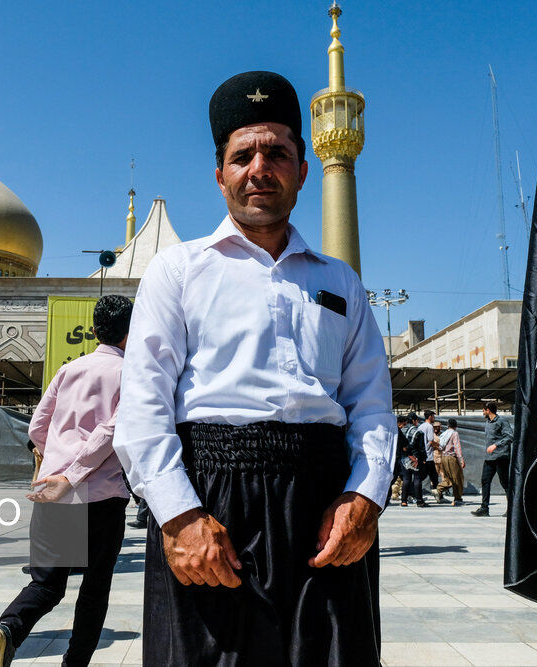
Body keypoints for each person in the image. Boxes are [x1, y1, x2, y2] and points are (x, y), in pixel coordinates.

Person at [112, 71, 395, 665]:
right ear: (220, 175)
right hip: (213, 497)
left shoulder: (339, 282)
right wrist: (181, 516)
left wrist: (364, 499)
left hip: (325, 507)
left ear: (302, 170)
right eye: (243, 155)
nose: (259, 168)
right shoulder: (178, 271)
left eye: (277, 153)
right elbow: (143, 406)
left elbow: (371, 405)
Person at [0, 295, 133, 667]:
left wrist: (59, 464)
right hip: (101, 496)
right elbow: (111, 430)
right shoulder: (132, 374)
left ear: (94, 330)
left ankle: (6, 631)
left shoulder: (69, 369)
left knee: (45, 585)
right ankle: (74, 664)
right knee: (94, 589)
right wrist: (74, 473)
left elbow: (37, 427)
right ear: (133, 331)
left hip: (52, 494)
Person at [472, 402, 512, 517]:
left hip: (501, 457)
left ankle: (511, 509)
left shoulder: (502, 421)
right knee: (485, 481)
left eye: (483, 410)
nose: (483, 412)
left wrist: (496, 445)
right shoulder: (488, 422)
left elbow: (510, 436)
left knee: (505, 483)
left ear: (488, 410)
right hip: (490, 458)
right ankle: (484, 508)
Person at [400, 412, 428, 507]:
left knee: (406, 478)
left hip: (404, 458)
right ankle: (419, 501)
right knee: (417, 478)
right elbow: (421, 448)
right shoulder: (419, 432)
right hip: (416, 458)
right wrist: (423, 458)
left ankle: (404, 500)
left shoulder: (401, 430)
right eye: (416, 420)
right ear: (414, 421)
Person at [436, 418, 466, 505]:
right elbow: (457, 447)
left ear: (448, 425)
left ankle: (439, 489)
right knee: (458, 478)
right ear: (456, 426)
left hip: (444, 457)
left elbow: (440, 447)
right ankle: (457, 498)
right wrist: (461, 459)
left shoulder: (444, 434)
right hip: (452, 458)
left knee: (448, 477)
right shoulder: (454, 433)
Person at [418, 410, 440, 501]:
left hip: (422, 455)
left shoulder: (420, 427)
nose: (434, 418)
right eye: (433, 416)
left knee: (422, 476)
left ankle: (411, 493)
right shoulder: (429, 427)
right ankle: (438, 496)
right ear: (430, 416)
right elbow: (431, 441)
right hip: (428, 456)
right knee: (433, 477)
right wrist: (439, 446)